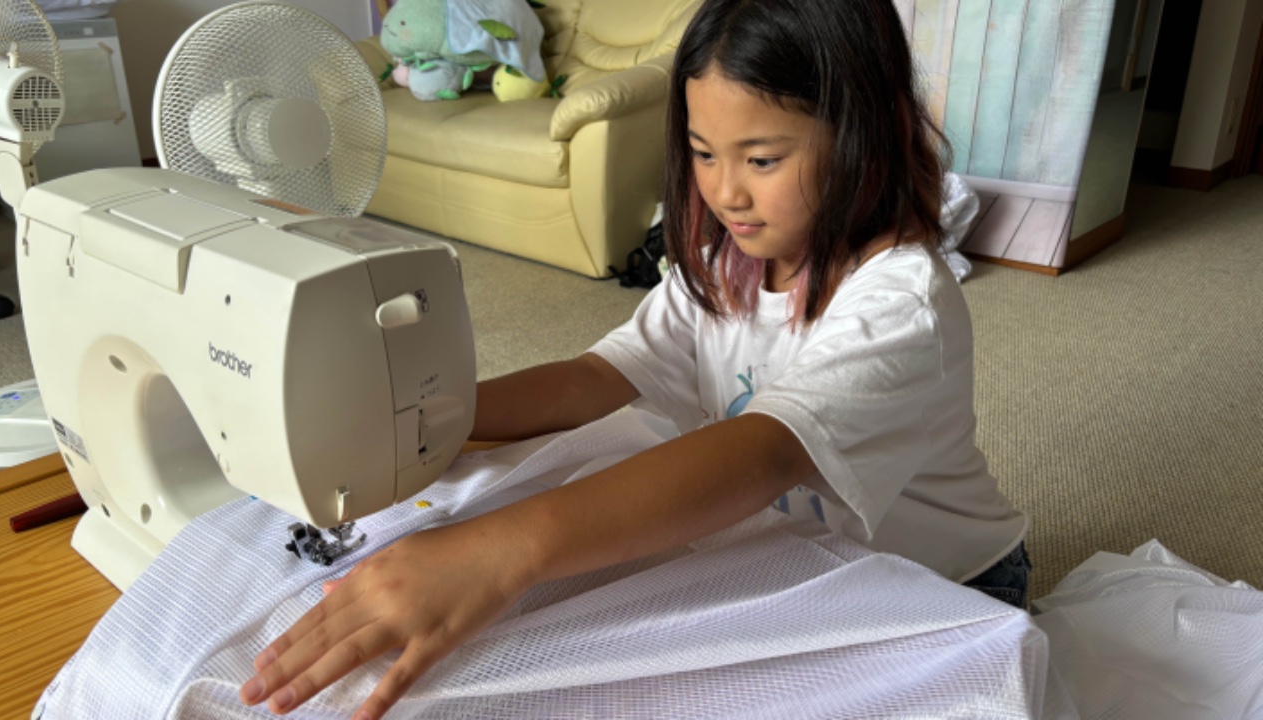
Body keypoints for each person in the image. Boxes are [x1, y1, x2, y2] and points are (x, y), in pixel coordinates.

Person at [239, 0, 1027, 716]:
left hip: (949, 586)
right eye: (703, 153)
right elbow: (597, 377)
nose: (726, 193)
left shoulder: (902, 302)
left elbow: (763, 453)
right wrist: (433, 421)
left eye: (761, 160)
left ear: (863, 135)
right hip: (804, 548)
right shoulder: (725, 264)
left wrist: (498, 553)